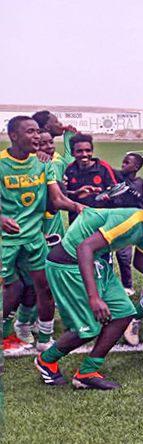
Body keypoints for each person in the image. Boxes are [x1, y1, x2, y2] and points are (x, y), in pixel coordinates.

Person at [34, 189, 143, 389]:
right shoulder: (133, 221)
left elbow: (141, 263)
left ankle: (87, 372)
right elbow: (84, 248)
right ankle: (46, 360)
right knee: (89, 327)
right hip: (68, 263)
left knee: (124, 313)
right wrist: (94, 298)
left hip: (96, 260)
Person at [1, 116, 85, 355]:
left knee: (45, 286)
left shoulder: (44, 163)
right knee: (13, 289)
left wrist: (78, 207)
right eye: (30, 132)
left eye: (38, 131)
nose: (36, 136)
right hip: (6, 240)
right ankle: (6, 335)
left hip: (35, 238)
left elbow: (57, 199)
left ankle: (45, 339)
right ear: (14, 136)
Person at [112, 153, 143, 296]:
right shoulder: (117, 177)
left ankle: (127, 285)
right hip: (113, 220)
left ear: (136, 166)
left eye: (127, 163)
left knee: (123, 256)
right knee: (105, 255)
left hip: (129, 224)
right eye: (123, 162)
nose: (123, 165)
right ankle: (107, 283)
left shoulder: (140, 184)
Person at [63, 134, 118, 222]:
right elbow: (63, 195)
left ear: (92, 151)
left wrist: (107, 196)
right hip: (76, 219)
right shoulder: (69, 170)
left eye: (88, 150)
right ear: (72, 153)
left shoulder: (103, 168)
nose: (84, 154)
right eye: (79, 151)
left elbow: (116, 192)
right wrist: (76, 193)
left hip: (100, 218)